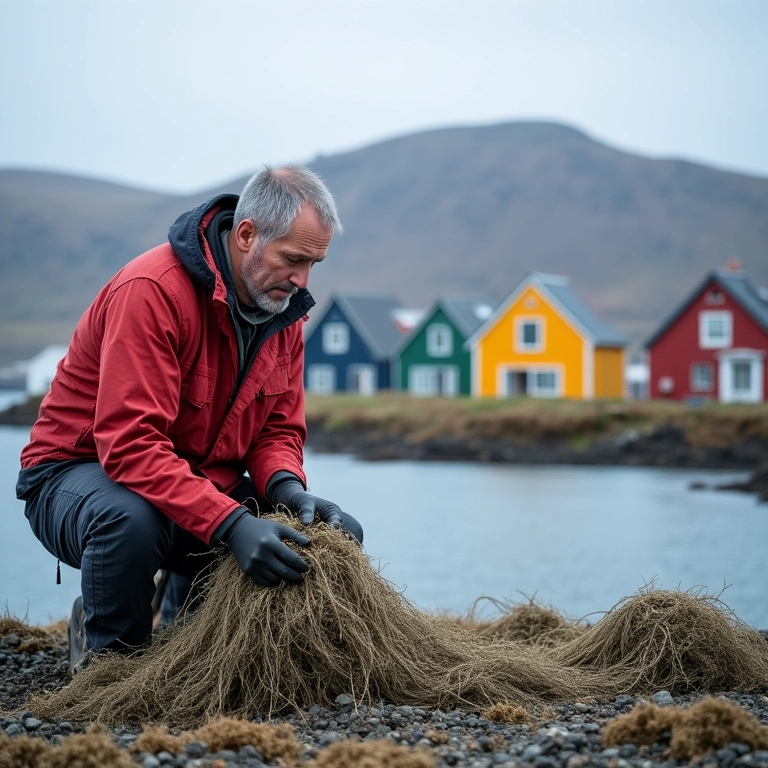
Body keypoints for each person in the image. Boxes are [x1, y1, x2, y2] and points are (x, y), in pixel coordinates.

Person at [16, 164, 363, 667]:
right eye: (293, 259)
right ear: (246, 235)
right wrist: (232, 523)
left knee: (327, 532)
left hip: (192, 482)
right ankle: (109, 663)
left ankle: (189, 642)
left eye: (314, 263)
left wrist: (288, 489)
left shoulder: (282, 308)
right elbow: (130, 445)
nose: (302, 280)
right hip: (76, 474)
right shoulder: (152, 290)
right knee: (131, 520)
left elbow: (277, 432)